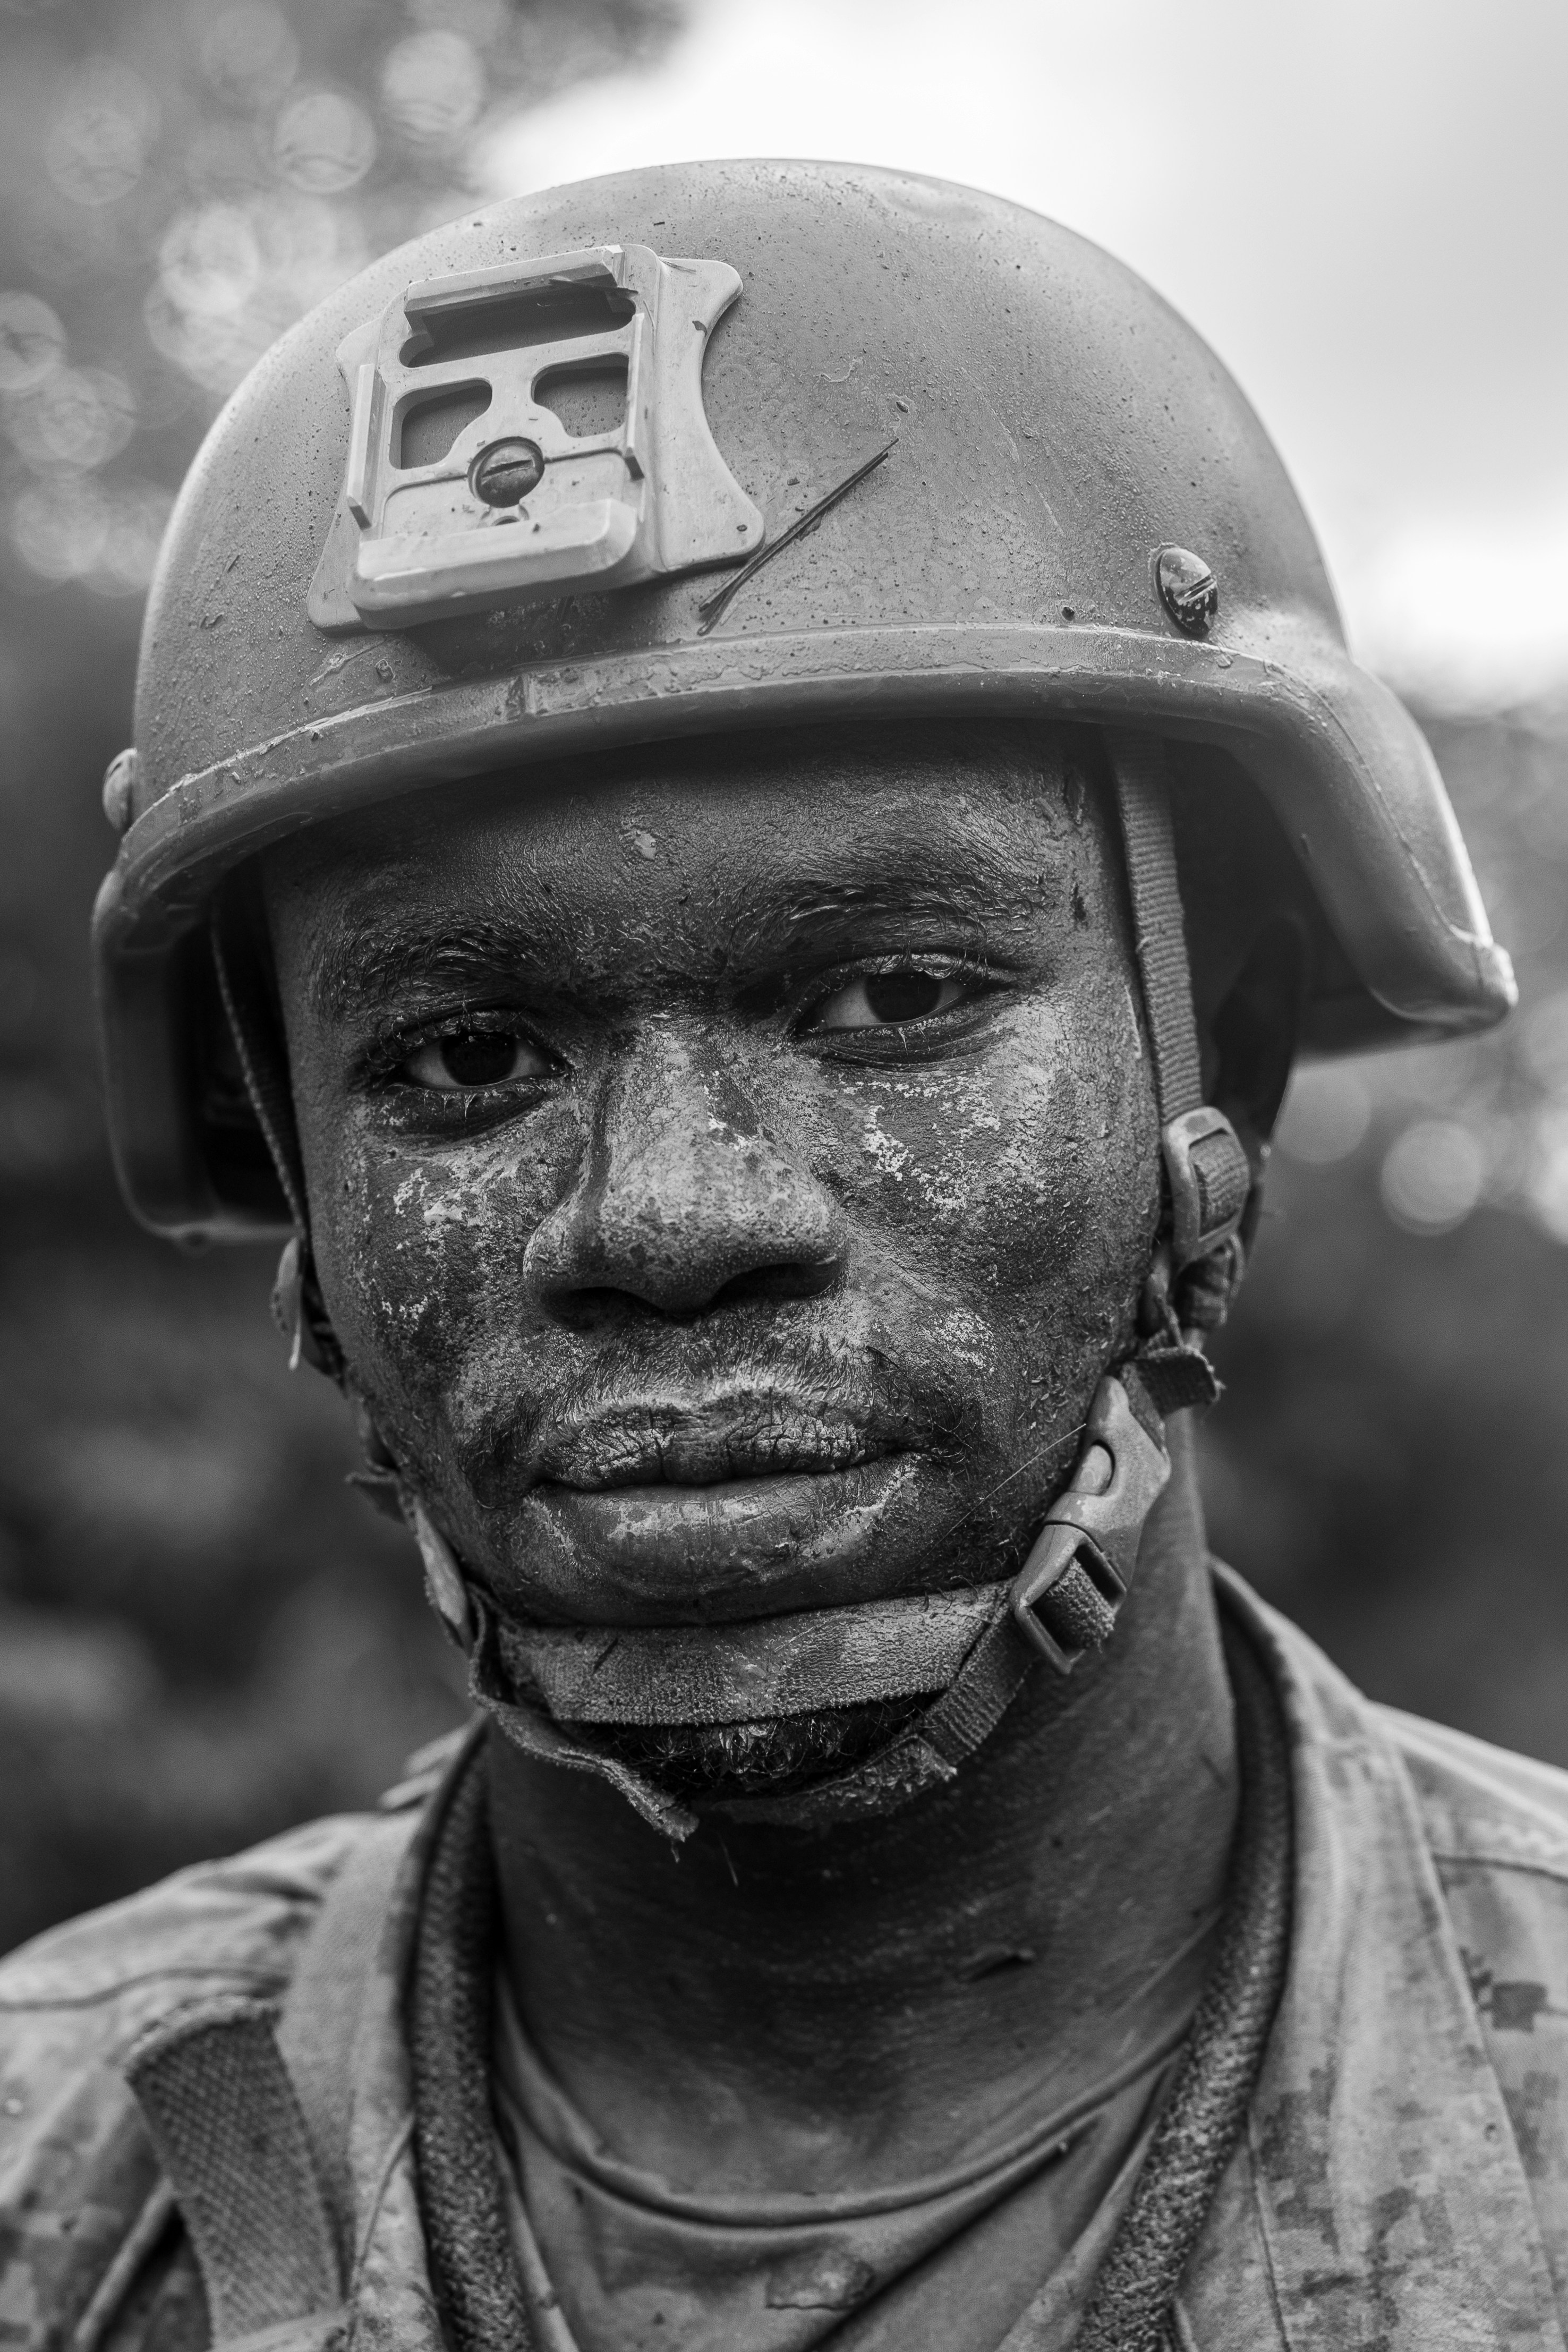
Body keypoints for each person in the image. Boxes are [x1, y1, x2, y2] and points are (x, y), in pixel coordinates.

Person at [2, 161, 1560, 2352]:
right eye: (463, 1053)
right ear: (294, 1181)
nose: (667, 1217)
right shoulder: (53, 2174)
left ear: (1238, 1064)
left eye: (898, 1001)